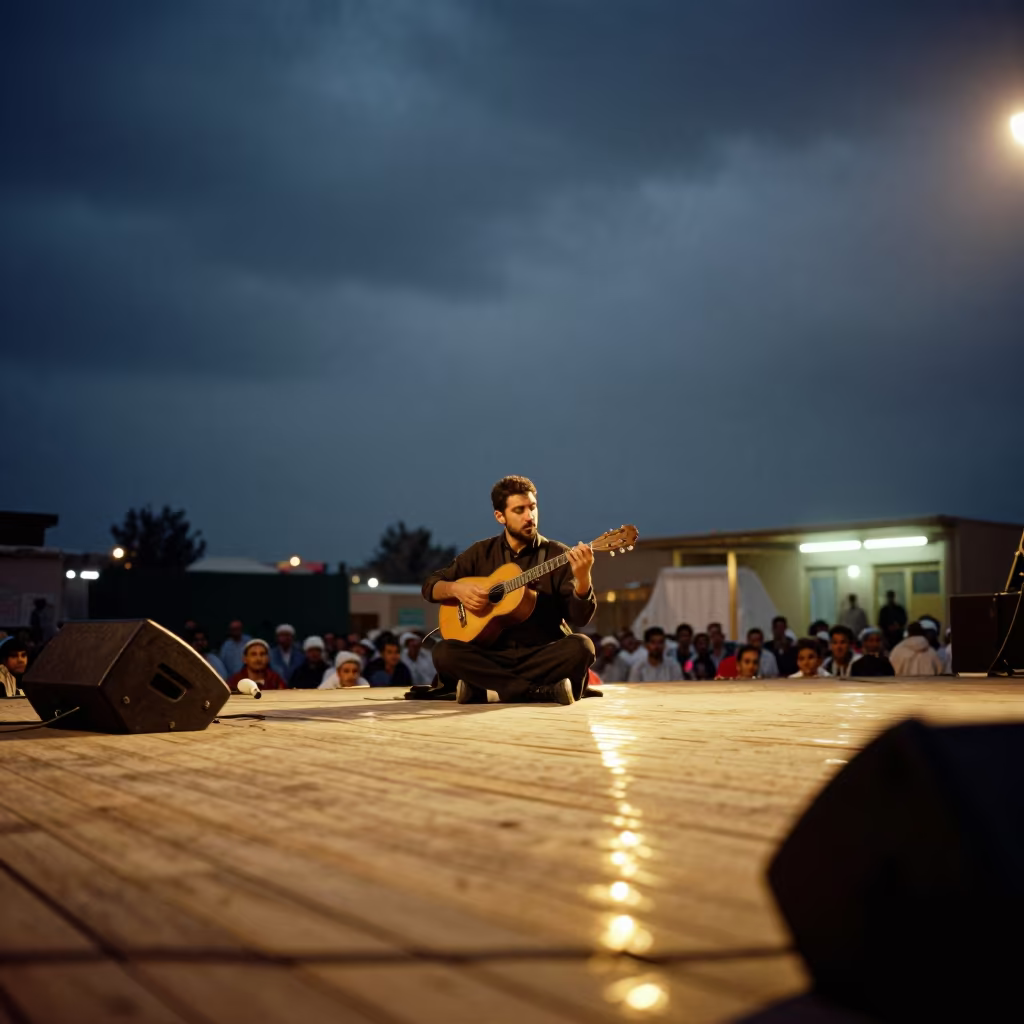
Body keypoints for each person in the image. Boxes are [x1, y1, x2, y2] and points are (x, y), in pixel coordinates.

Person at [423, 475, 596, 705]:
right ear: (500, 516)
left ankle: (490, 691)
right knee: (443, 651)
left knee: (582, 646)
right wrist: (456, 589)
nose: (529, 516)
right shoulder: (481, 553)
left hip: (541, 654)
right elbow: (430, 586)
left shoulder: (559, 555)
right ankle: (538, 691)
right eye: (519, 510)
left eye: (533, 507)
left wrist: (583, 580)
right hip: (491, 657)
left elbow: (580, 618)